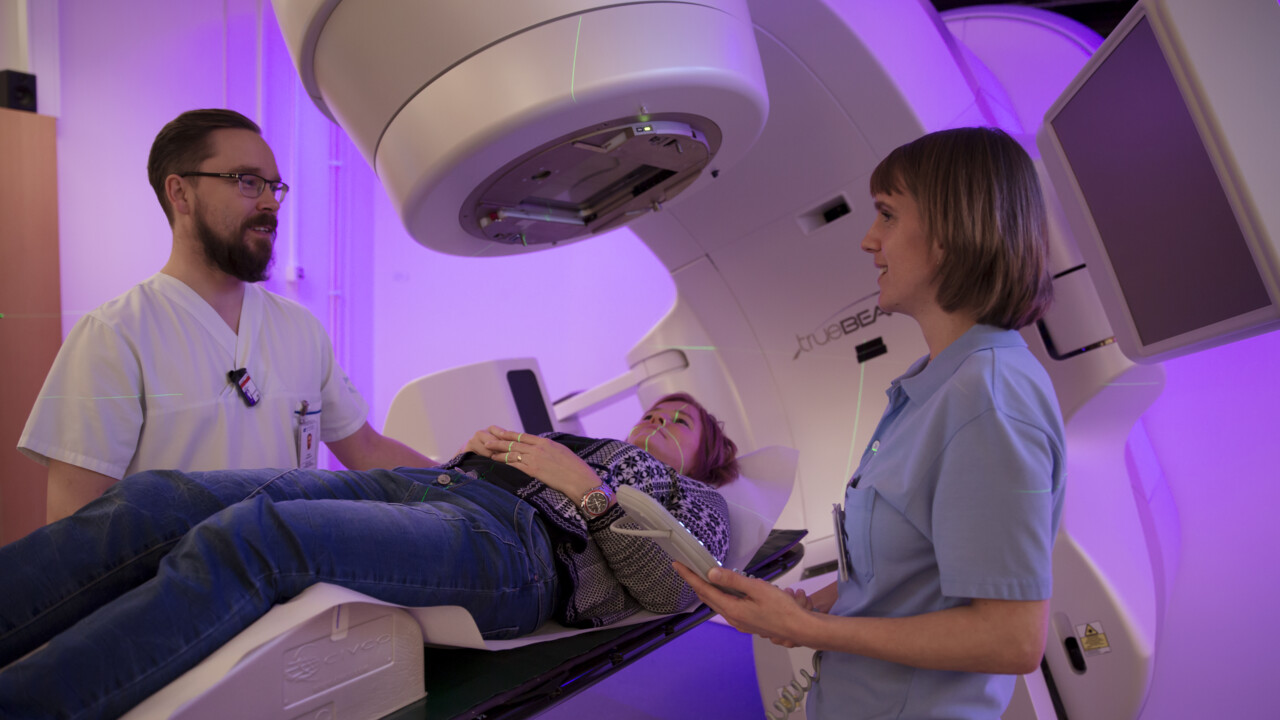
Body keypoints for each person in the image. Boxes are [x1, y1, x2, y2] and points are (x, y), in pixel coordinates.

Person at [0, 393, 738, 719]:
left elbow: (674, 589)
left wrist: (586, 490)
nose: (658, 419)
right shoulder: (588, 441)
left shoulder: (702, 500)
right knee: (157, 500)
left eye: (680, 421)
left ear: (706, 459)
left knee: (253, 539)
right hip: (436, 485)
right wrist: (479, 453)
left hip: (521, 549)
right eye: (653, 409)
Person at [676, 127, 1066, 719]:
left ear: (953, 230)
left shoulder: (989, 400)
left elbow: (1010, 639)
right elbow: (905, 578)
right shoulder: (936, 383)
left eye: (887, 215)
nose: (868, 239)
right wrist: (810, 607)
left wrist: (811, 632)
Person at [17, 108, 431, 523]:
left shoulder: (300, 329)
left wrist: (459, 479)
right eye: (247, 181)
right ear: (180, 193)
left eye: (274, 186)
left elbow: (367, 450)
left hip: (291, 565)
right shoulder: (114, 337)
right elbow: (72, 526)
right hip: (179, 569)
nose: (270, 202)